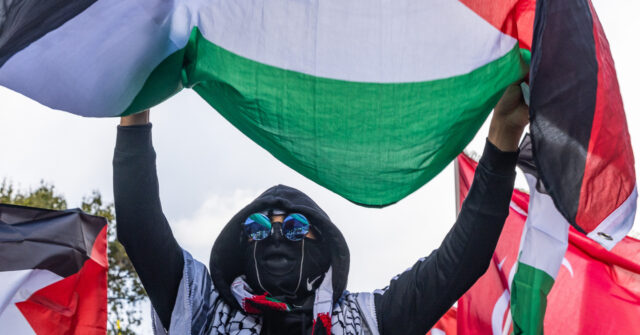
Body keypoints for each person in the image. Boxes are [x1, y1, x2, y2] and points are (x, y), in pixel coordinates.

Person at [113, 84, 529, 335]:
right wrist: (135, 106)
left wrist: (502, 137)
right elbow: (139, 226)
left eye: (294, 227)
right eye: (258, 228)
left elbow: (461, 261)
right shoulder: (200, 308)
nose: (275, 235)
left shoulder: (368, 321)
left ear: (321, 244)